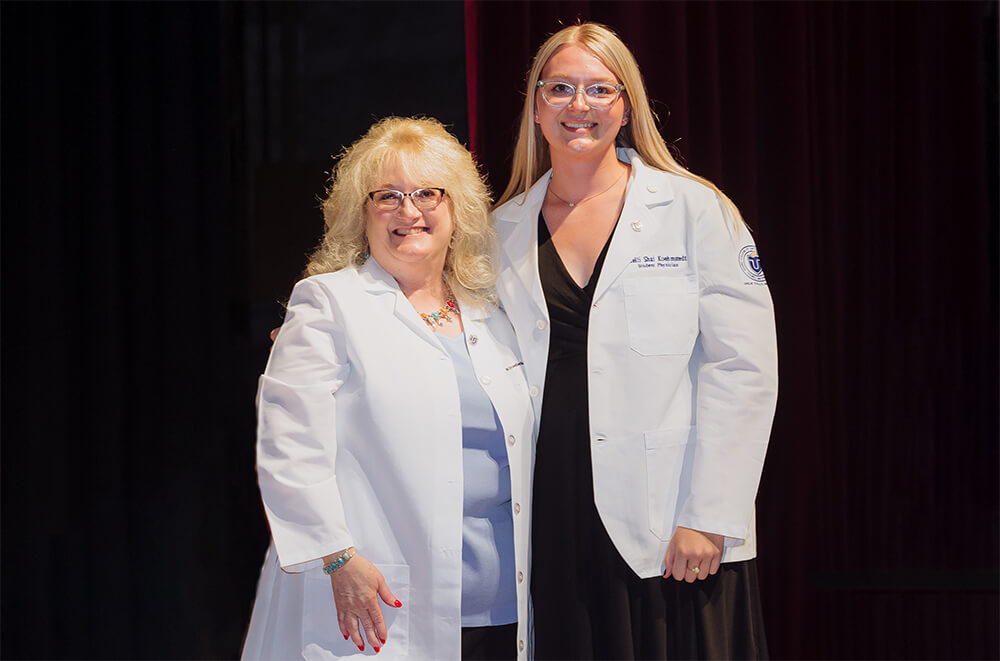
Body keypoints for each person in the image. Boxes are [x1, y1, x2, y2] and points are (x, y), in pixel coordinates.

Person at [492, 23, 778, 660]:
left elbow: (745, 370)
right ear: (536, 106)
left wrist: (710, 513)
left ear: (626, 105)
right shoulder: (500, 230)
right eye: (560, 88)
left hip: (674, 522)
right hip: (554, 515)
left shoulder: (696, 210)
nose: (579, 106)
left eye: (599, 89)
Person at [243, 117, 534, 660]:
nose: (409, 211)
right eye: (388, 196)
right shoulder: (329, 303)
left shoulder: (492, 316)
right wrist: (336, 558)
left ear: (457, 210)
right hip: (372, 600)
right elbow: (288, 450)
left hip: (499, 606)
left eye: (428, 193)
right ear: (362, 214)